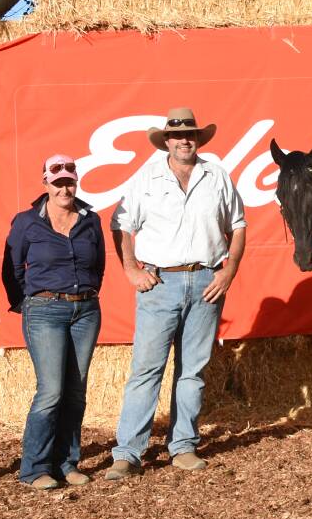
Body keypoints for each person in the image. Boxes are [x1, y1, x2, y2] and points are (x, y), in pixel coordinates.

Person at [105, 107, 247, 479]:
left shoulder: (216, 175)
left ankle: (183, 445)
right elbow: (120, 224)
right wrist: (131, 269)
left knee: (193, 371)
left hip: (205, 281)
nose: (185, 140)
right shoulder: (146, 178)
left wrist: (229, 270)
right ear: (166, 141)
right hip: (160, 282)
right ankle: (128, 453)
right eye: (178, 135)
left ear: (198, 140)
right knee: (146, 369)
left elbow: (239, 225)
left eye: (191, 135)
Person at [3, 154, 106, 490]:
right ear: (45, 183)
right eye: (57, 181)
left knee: (75, 392)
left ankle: (66, 463)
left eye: (69, 180)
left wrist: (86, 294)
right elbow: (12, 270)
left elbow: (99, 266)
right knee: (51, 391)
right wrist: (29, 303)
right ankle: (34, 468)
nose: (65, 187)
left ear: (76, 181)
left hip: (85, 311)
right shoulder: (26, 222)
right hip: (45, 310)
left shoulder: (91, 220)